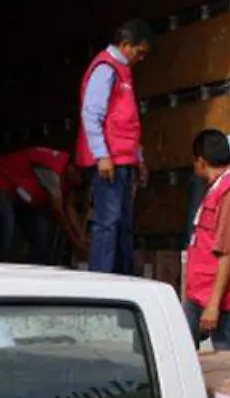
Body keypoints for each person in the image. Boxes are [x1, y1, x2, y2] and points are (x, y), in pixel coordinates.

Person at [75, 18, 153, 275]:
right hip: (111, 161)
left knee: (123, 224)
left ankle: (122, 278)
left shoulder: (122, 71)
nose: (141, 58)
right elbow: (92, 113)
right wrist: (102, 155)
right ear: (125, 45)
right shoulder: (105, 68)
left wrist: (138, 158)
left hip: (124, 160)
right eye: (139, 52)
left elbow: (128, 122)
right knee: (107, 223)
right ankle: (102, 279)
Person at [182, 129, 230, 350]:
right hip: (200, 293)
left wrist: (214, 304)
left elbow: (228, 252)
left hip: (223, 301)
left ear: (200, 161)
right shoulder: (218, 187)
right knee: (183, 354)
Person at [0, 146, 85, 264]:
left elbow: (69, 206)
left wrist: (81, 237)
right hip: (3, 182)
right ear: (72, 168)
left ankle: (37, 267)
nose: (80, 182)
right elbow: (58, 210)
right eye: (81, 177)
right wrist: (74, 242)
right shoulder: (52, 170)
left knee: (40, 230)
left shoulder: (69, 178)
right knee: (7, 224)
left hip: (24, 195)